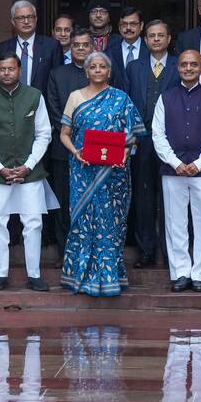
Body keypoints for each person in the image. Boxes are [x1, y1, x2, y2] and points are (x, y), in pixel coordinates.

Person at [58, 51, 145, 296]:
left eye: (102, 67)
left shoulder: (121, 99)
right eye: (93, 67)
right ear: (86, 71)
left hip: (113, 173)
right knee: (83, 223)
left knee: (110, 225)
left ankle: (109, 279)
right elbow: (64, 133)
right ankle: (79, 278)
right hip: (83, 170)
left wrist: (124, 155)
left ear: (109, 71)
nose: (97, 70)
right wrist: (75, 152)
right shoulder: (75, 97)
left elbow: (133, 136)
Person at [0, 53, 58, 291]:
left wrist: (28, 165)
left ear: (19, 70)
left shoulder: (34, 96)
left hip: (30, 170)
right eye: (2, 69)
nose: (6, 73)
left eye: (11, 69)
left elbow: (44, 134)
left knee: (33, 221)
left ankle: (34, 274)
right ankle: (0, 274)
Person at [152, 51, 201, 292]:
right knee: (176, 223)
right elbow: (158, 135)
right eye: (184, 64)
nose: (189, 68)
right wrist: (175, 163)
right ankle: (181, 272)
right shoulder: (166, 98)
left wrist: (200, 163)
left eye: (194, 64)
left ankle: (200, 274)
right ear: (178, 68)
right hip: (174, 171)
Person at [125, 20, 179, 268]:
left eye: (161, 35)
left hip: (171, 141)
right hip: (142, 140)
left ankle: (171, 253)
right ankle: (146, 250)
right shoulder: (134, 67)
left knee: (171, 197)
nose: (156, 39)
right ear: (145, 40)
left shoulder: (180, 65)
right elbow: (126, 101)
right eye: (151, 36)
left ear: (169, 39)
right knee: (143, 196)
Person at [46, 29, 95, 262]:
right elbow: (53, 108)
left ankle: (90, 249)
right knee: (64, 200)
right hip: (63, 148)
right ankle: (64, 250)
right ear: (70, 47)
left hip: (95, 149)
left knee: (92, 200)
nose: (81, 49)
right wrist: (73, 139)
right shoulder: (57, 74)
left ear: (93, 47)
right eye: (77, 45)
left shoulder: (100, 72)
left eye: (86, 45)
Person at [0, 0, 63, 94]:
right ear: (13, 21)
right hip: (9, 104)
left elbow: (58, 80)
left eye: (30, 17)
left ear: (36, 19)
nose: (26, 21)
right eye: (21, 18)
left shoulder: (51, 46)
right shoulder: (2, 48)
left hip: (42, 104)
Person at [105, 6, 148, 83]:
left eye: (133, 24)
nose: (128, 28)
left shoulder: (150, 50)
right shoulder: (110, 51)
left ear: (141, 25)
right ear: (119, 27)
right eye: (124, 24)